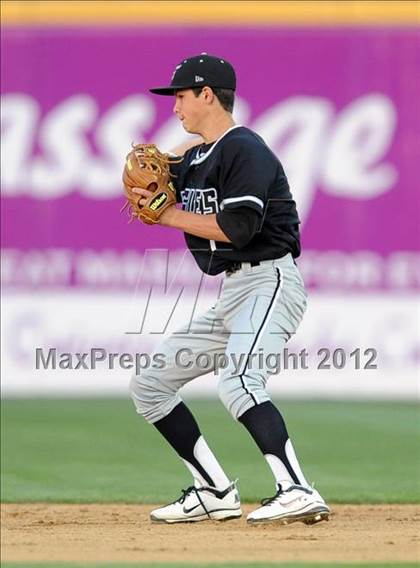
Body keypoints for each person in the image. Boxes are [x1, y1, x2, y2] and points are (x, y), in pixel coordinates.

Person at [130, 53, 330, 525]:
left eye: (181, 95)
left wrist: (167, 215)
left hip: (272, 280)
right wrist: (155, 177)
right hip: (235, 291)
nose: (174, 105)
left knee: (241, 381)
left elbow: (238, 228)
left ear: (207, 94)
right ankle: (214, 490)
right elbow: (164, 173)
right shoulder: (198, 156)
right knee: (151, 385)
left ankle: (296, 488)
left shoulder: (246, 149)